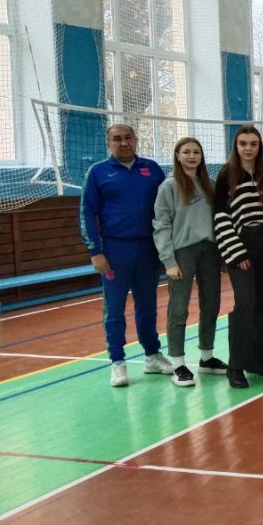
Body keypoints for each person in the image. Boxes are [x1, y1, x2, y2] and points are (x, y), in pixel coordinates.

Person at [81, 124, 174, 387]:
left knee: (148, 305)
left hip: (148, 249)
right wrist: (95, 251)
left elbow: (167, 207)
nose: (123, 143)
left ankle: (152, 355)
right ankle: (117, 361)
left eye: (128, 138)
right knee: (115, 308)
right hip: (115, 251)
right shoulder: (98, 172)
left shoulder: (152, 169)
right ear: (108, 143)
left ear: (136, 139)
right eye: (117, 139)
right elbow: (87, 213)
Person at [153, 136, 224, 387]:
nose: (192, 156)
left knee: (211, 304)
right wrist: (168, 260)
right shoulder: (169, 186)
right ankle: (179, 363)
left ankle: (207, 357)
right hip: (183, 252)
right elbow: (161, 225)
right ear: (177, 155)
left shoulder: (210, 184)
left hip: (211, 251)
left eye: (196, 152)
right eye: (186, 152)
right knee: (179, 307)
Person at [213, 125, 263, 388]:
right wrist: (236, 252)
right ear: (236, 146)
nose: (248, 148)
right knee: (245, 303)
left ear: (259, 147)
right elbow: (220, 216)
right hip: (241, 246)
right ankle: (236, 365)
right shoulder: (226, 175)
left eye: (253, 143)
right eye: (243, 143)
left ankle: (257, 359)